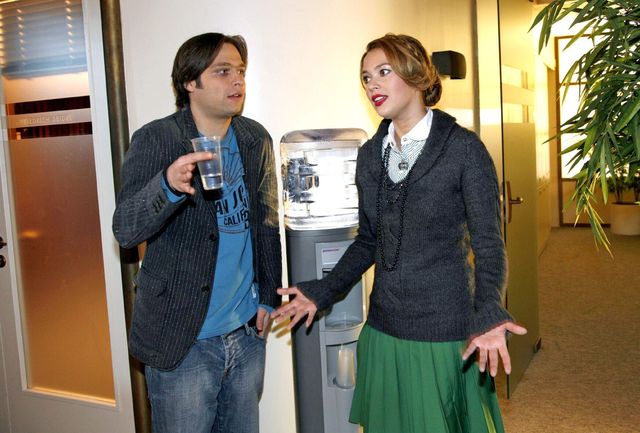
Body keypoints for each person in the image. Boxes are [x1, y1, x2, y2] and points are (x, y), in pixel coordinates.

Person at [272, 33, 526, 433]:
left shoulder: (463, 150)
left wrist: (489, 310)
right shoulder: (370, 156)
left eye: (383, 72)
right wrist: (324, 289)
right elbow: (369, 241)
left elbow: (489, 246)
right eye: (366, 77)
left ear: (416, 74)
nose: (372, 84)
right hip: (384, 330)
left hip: (444, 334)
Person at [112, 32, 281, 433]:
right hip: (182, 339)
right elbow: (126, 229)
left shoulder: (254, 138)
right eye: (222, 71)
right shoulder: (158, 138)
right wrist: (167, 185)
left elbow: (267, 222)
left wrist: (269, 297)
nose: (237, 80)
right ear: (190, 81)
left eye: (240, 71)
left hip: (245, 334)